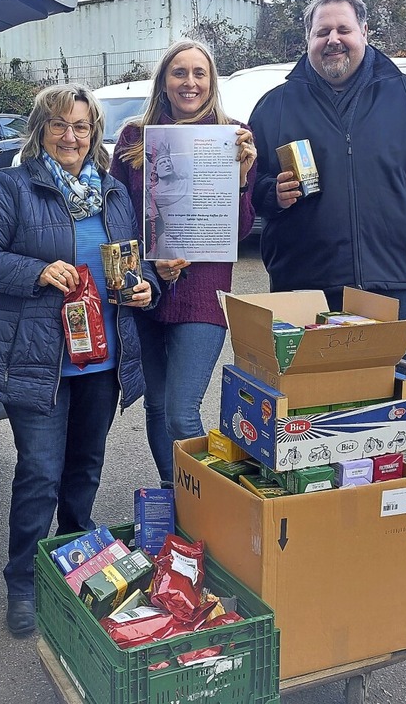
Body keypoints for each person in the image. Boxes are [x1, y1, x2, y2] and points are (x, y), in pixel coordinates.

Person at [0, 83, 160, 637]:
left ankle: (75, 562)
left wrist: (144, 289)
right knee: (40, 473)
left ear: (94, 134)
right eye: (59, 126)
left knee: (85, 468)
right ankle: (22, 583)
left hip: (102, 359)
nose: (71, 137)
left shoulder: (115, 195)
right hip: (37, 361)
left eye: (81, 127)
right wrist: (36, 271)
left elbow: (137, 268)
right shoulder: (13, 186)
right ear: (40, 131)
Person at [249, 0, 406, 355]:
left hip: (395, 283)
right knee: (310, 403)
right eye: (322, 32)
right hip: (305, 285)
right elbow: (250, 186)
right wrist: (272, 194)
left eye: (343, 30)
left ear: (364, 31)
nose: (334, 40)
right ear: (308, 39)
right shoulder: (274, 106)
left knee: (384, 399)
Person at [110, 39, 257, 483]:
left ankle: (203, 499)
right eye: (179, 72)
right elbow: (118, 216)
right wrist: (151, 267)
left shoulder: (235, 134)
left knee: (181, 411)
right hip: (147, 293)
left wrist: (242, 179)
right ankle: (171, 494)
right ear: (164, 81)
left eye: (199, 73)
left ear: (211, 81)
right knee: (156, 405)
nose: (189, 82)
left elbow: (242, 230)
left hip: (202, 294)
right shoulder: (135, 137)